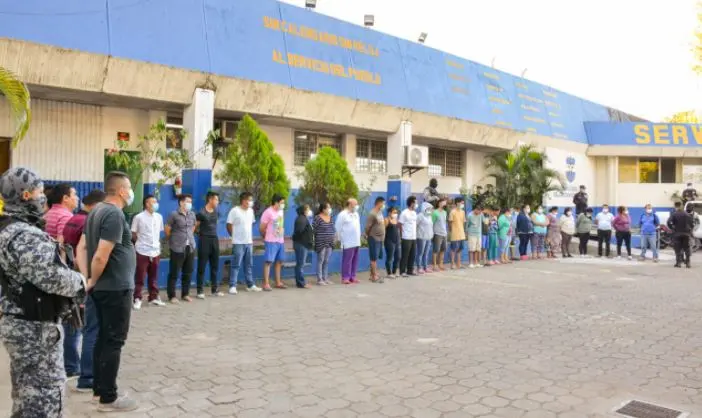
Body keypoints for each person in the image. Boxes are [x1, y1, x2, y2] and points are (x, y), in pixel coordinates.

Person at [0, 167, 86, 417]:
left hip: (23, 323)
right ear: (25, 195)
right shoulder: (24, 234)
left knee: (28, 393)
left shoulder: (9, 228)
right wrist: (79, 280)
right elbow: (52, 278)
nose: (43, 197)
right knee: (44, 397)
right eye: (39, 191)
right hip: (35, 329)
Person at [76, 171, 138, 411]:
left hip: (103, 287)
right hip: (115, 288)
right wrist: (91, 278)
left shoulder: (96, 211)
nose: (131, 192)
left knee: (103, 339)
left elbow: (82, 247)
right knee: (114, 341)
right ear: (122, 191)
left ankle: (98, 390)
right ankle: (108, 398)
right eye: (130, 187)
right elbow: (101, 255)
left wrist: (88, 279)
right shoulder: (113, 213)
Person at [63, 189, 106, 393]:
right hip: (82, 278)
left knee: (72, 320)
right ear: (96, 205)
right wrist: (88, 277)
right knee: (86, 326)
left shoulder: (72, 220)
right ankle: (82, 372)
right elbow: (87, 250)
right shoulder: (86, 222)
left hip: (68, 274)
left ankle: (71, 364)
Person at [130, 194, 166, 309]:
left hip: (155, 251)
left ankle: (153, 297)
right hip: (142, 251)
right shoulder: (139, 217)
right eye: (153, 202)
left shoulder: (159, 217)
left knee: (153, 276)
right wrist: (140, 243)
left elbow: (158, 233)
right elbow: (133, 233)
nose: (155, 204)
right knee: (140, 276)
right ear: (146, 204)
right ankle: (137, 298)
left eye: (156, 201)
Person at [227, 192, 262, 293]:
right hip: (238, 243)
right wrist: (234, 237)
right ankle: (232, 286)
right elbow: (229, 224)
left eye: (251, 200)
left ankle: (250, 285)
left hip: (248, 242)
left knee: (249, 265)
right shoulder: (234, 211)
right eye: (249, 200)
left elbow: (250, 224)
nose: (251, 202)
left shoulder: (251, 211)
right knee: (236, 265)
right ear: (243, 200)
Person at [165, 194, 196, 303]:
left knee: (188, 271)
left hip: (190, 246)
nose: (190, 204)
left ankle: (185, 294)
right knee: (174, 272)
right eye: (188, 201)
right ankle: (172, 295)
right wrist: (174, 240)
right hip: (177, 247)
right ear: (182, 202)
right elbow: (167, 229)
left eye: (191, 201)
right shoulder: (174, 214)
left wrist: (189, 237)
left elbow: (193, 227)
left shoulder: (192, 214)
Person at [195, 191, 222, 299]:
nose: (217, 202)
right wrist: (200, 233)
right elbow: (195, 226)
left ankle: (214, 289)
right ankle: (200, 291)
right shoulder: (201, 212)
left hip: (214, 239)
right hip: (204, 240)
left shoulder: (216, 212)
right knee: (202, 266)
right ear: (210, 199)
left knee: (214, 266)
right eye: (216, 199)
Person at [260, 194, 287, 291]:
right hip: (271, 241)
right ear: (276, 202)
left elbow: (280, 224)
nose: (283, 204)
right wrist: (266, 237)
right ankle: (266, 283)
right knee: (268, 261)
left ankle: (278, 282)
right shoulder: (268, 212)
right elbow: (262, 228)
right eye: (282, 203)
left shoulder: (281, 211)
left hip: (280, 240)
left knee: (279, 261)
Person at [336, 198, 361, 284]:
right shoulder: (342, 214)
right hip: (347, 241)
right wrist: (339, 239)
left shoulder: (356, 214)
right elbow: (338, 228)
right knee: (347, 260)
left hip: (356, 241)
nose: (357, 206)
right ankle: (345, 277)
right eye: (355, 204)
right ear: (350, 204)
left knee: (355, 260)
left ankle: (352, 277)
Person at [291, 205, 314, 289]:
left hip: (302, 244)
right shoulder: (301, 219)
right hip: (301, 245)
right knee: (300, 264)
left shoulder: (303, 218)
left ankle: (300, 282)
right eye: (308, 209)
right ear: (304, 211)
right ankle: (301, 283)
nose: (309, 211)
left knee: (300, 264)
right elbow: (299, 232)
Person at [313, 202, 335, 285]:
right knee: (320, 260)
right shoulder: (317, 218)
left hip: (329, 242)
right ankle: (320, 279)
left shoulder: (330, 217)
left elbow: (332, 228)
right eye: (328, 207)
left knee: (326, 260)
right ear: (323, 209)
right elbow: (314, 229)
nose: (330, 209)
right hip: (321, 242)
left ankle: (325, 278)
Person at [365, 197, 386, 283]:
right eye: (383, 203)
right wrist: (367, 235)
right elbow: (367, 227)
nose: (384, 205)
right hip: (373, 238)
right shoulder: (372, 213)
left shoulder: (380, 212)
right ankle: (374, 276)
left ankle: (372, 274)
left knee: (376, 257)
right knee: (373, 258)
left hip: (380, 239)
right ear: (379, 203)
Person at [668, 201, 694, 268]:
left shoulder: (674, 214)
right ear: (682, 206)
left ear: (675, 206)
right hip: (686, 234)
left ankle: (678, 263)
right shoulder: (687, 214)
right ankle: (688, 263)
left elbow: (669, 222)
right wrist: (690, 230)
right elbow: (692, 224)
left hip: (677, 234)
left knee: (678, 249)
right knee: (687, 248)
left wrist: (672, 228)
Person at [399, 196, 418, 277]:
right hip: (406, 237)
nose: (417, 204)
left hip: (413, 237)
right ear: (412, 203)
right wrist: (402, 234)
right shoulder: (404, 213)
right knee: (405, 255)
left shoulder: (414, 213)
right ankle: (402, 271)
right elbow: (400, 224)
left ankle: (410, 270)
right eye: (415, 203)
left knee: (412, 254)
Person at [416, 201, 434, 274]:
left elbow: (430, 226)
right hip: (421, 237)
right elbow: (415, 225)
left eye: (431, 209)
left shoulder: (429, 216)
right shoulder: (420, 215)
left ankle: (425, 267)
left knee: (426, 253)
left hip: (428, 237)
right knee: (420, 253)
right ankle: (419, 267)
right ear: (425, 208)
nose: (430, 210)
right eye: (429, 208)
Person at [449, 198, 467, 269]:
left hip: (461, 233)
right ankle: (452, 264)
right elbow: (450, 223)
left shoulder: (463, 212)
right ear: (457, 203)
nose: (462, 204)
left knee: (460, 248)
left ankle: (459, 263)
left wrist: (464, 231)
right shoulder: (452, 212)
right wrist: (451, 231)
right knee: (453, 249)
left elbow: (464, 222)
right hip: (454, 233)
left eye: (463, 203)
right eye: (461, 203)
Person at [431, 198, 448, 271]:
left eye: (445, 202)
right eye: (443, 202)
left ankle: (440, 264)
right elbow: (432, 223)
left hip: (444, 233)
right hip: (437, 233)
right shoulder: (435, 212)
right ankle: (434, 265)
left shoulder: (445, 212)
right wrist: (432, 233)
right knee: (436, 250)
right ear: (439, 203)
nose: (444, 203)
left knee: (443, 249)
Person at [384, 207, 401, 278]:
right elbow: (383, 230)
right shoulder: (386, 220)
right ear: (389, 213)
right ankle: (389, 273)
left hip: (397, 241)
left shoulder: (396, 220)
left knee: (398, 257)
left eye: (396, 213)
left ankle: (394, 272)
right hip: (389, 241)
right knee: (390, 257)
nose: (395, 214)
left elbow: (398, 230)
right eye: (394, 212)